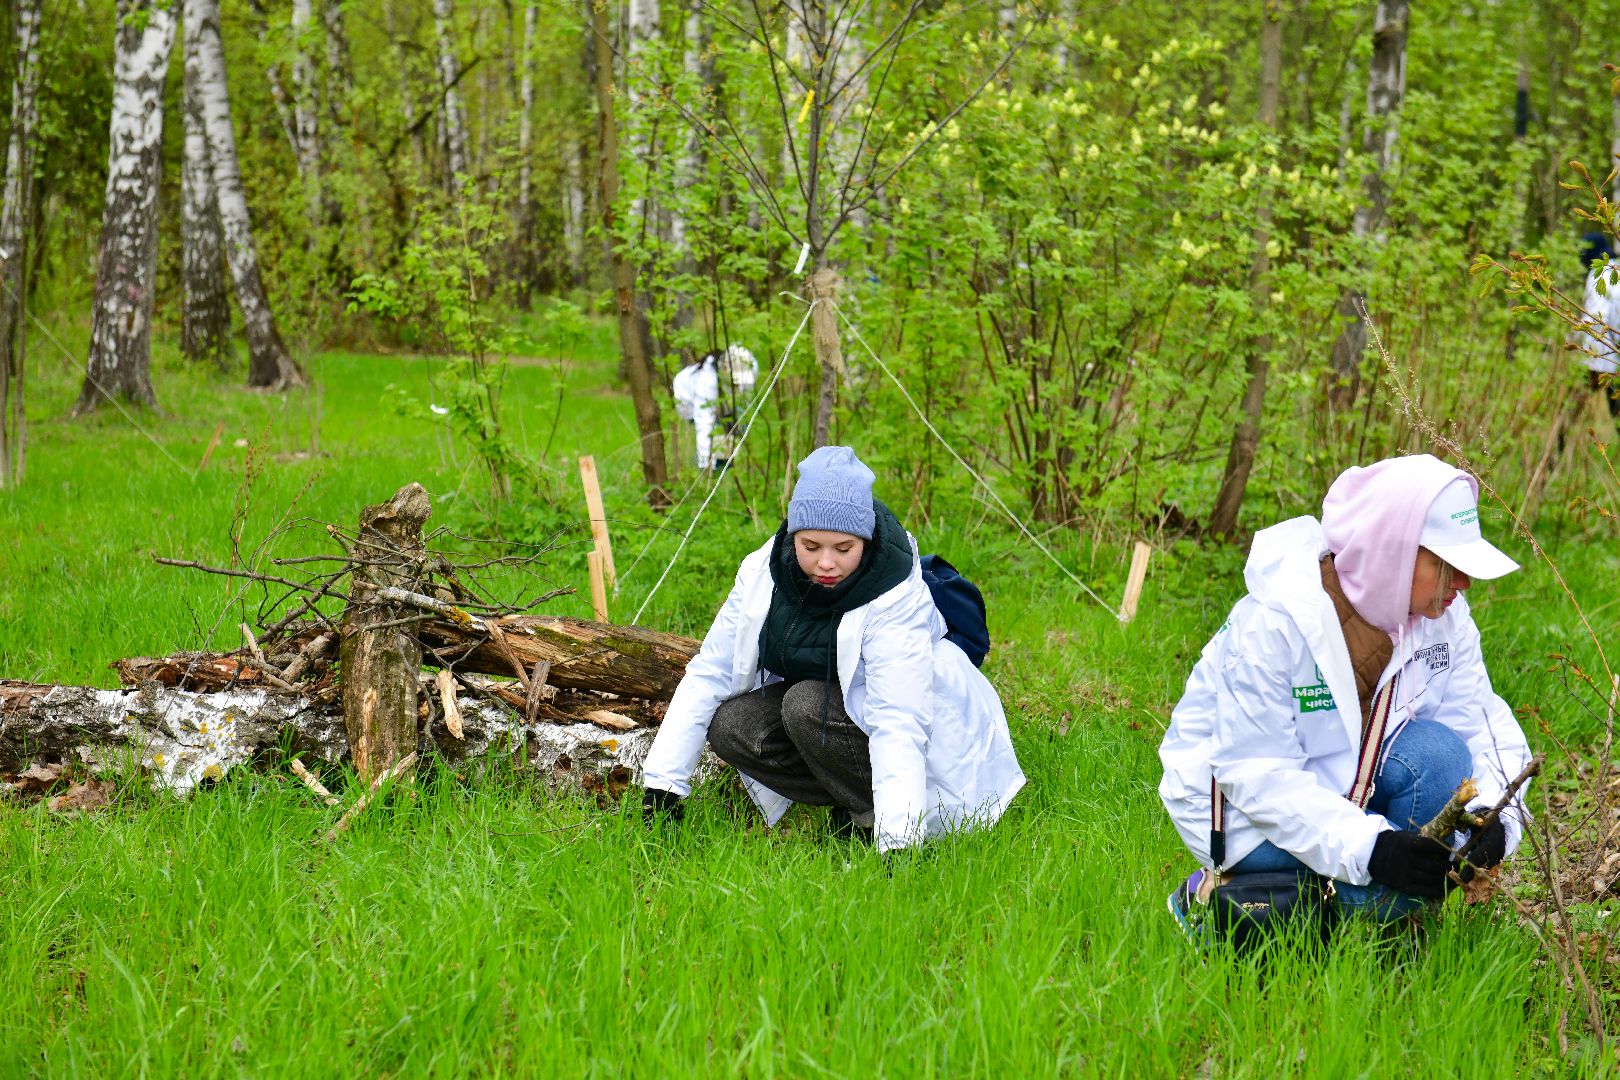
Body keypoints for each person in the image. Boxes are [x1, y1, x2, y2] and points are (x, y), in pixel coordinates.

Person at [1159, 454, 1533, 928]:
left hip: (1346, 780)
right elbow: (1255, 774)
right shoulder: (1275, 623)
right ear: (1391, 551)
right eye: (1446, 564)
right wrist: (1374, 850)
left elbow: (1481, 723)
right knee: (1396, 892)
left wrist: (1495, 815)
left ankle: (1344, 903)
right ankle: (1213, 903)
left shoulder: (1445, 618)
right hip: (1237, 812)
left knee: (1441, 757)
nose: (1462, 583)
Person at [639, 446, 1026, 852]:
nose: (826, 563)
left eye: (843, 549)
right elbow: (711, 671)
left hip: (918, 727)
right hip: (836, 710)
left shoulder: (894, 596)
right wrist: (663, 785)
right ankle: (854, 800)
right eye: (810, 546)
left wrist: (899, 843)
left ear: (866, 538)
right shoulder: (761, 572)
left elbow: (898, 720)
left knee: (805, 704)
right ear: (792, 536)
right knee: (734, 727)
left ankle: (880, 817)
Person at [1575, 232, 1620, 420]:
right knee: (1616, 411)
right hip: (1610, 353)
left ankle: (1559, 444)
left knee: (1574, 403)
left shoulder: (1597, 273)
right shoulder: (1614, 270)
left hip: (1597, 352)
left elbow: (1597, 315)